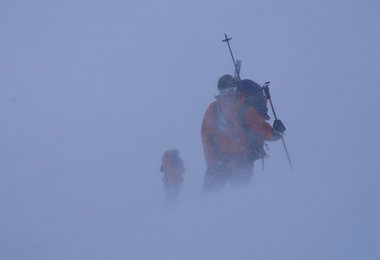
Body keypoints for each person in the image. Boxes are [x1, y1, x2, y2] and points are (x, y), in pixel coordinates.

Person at [200, 75, 286, 193]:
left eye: (231, 90)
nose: (228, 94)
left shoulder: (245, 109)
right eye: (224, 91)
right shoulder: (213, 109)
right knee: (208, 201)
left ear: (236, 89)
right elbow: (206, 135)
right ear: (219, 92)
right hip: (219, 161)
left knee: (237, 201)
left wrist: (276, 133)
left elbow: (260, 128)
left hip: (242, 162)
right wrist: (212, 162)